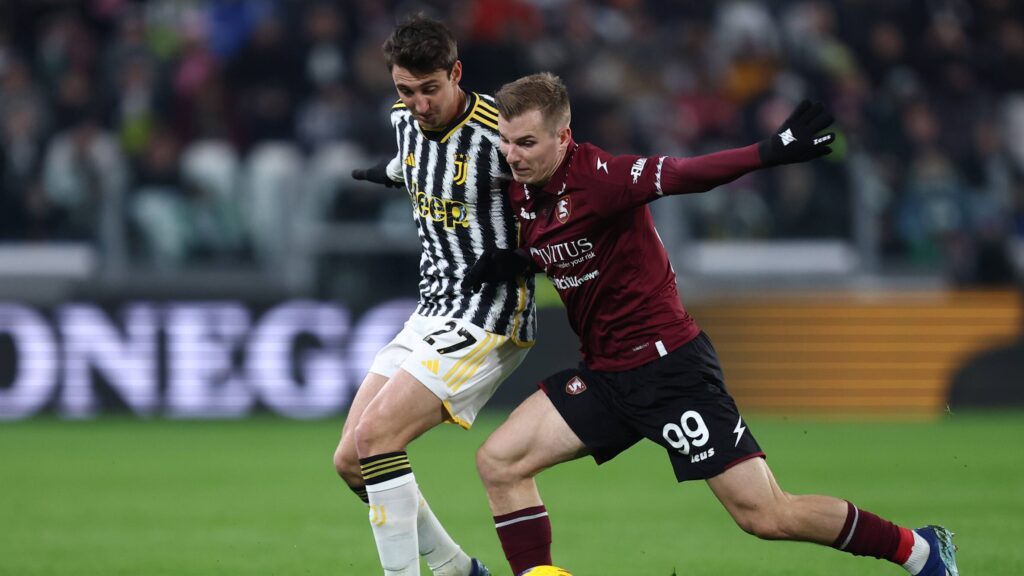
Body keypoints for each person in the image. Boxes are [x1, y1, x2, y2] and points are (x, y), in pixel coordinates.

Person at [466, 72, 959, 576]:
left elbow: (684, 173)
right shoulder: (524, 191)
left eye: (526, 142)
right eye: (506, 141)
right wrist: (523, 261)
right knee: (499, 462)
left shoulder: (602, 177)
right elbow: (574, 244)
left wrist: (768, 152)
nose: (513, 154)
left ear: (562, 137)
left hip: (670, 371)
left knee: (766, 514)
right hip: (607, 377)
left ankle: (919, 550)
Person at [333, 15, 536, 576]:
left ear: (457, 73)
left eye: (431, 89)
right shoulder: (403, 120)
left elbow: (565, 189)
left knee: (377, 438)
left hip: (490, 314)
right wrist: (390, 172)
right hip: (432, 311)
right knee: (352, 461)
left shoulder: (504, 130)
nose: (419, 104)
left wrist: (526, 255)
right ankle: (457, 572)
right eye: (406, 90)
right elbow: (417, 161)